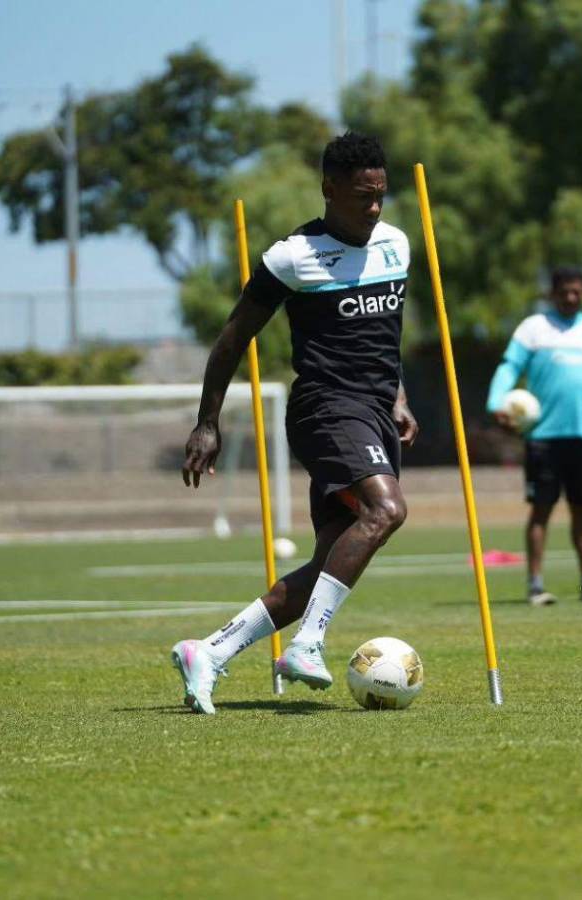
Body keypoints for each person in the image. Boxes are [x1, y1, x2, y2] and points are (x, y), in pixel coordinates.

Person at [172, 132, 418, 714]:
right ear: (330, 190)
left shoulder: (396, 245)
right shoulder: (293, 256)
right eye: (363, 196)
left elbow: (385, 339)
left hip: (376, 414)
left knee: (330, 558)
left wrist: (400, 396)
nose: (375, 207)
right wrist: (207, 422)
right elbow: (233, 337)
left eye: (381, 195)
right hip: (326, 408)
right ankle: (307, 643)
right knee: (388, 510)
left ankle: (209, 651)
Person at [486, 267, 582, 606]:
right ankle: (536, 586)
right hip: (544, 438)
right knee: (541, 511)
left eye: (577, 291)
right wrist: (496, 403)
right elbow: (509, 367)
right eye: (564, 291)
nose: (571, 297)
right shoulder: (533, 329)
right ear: (552, 294)